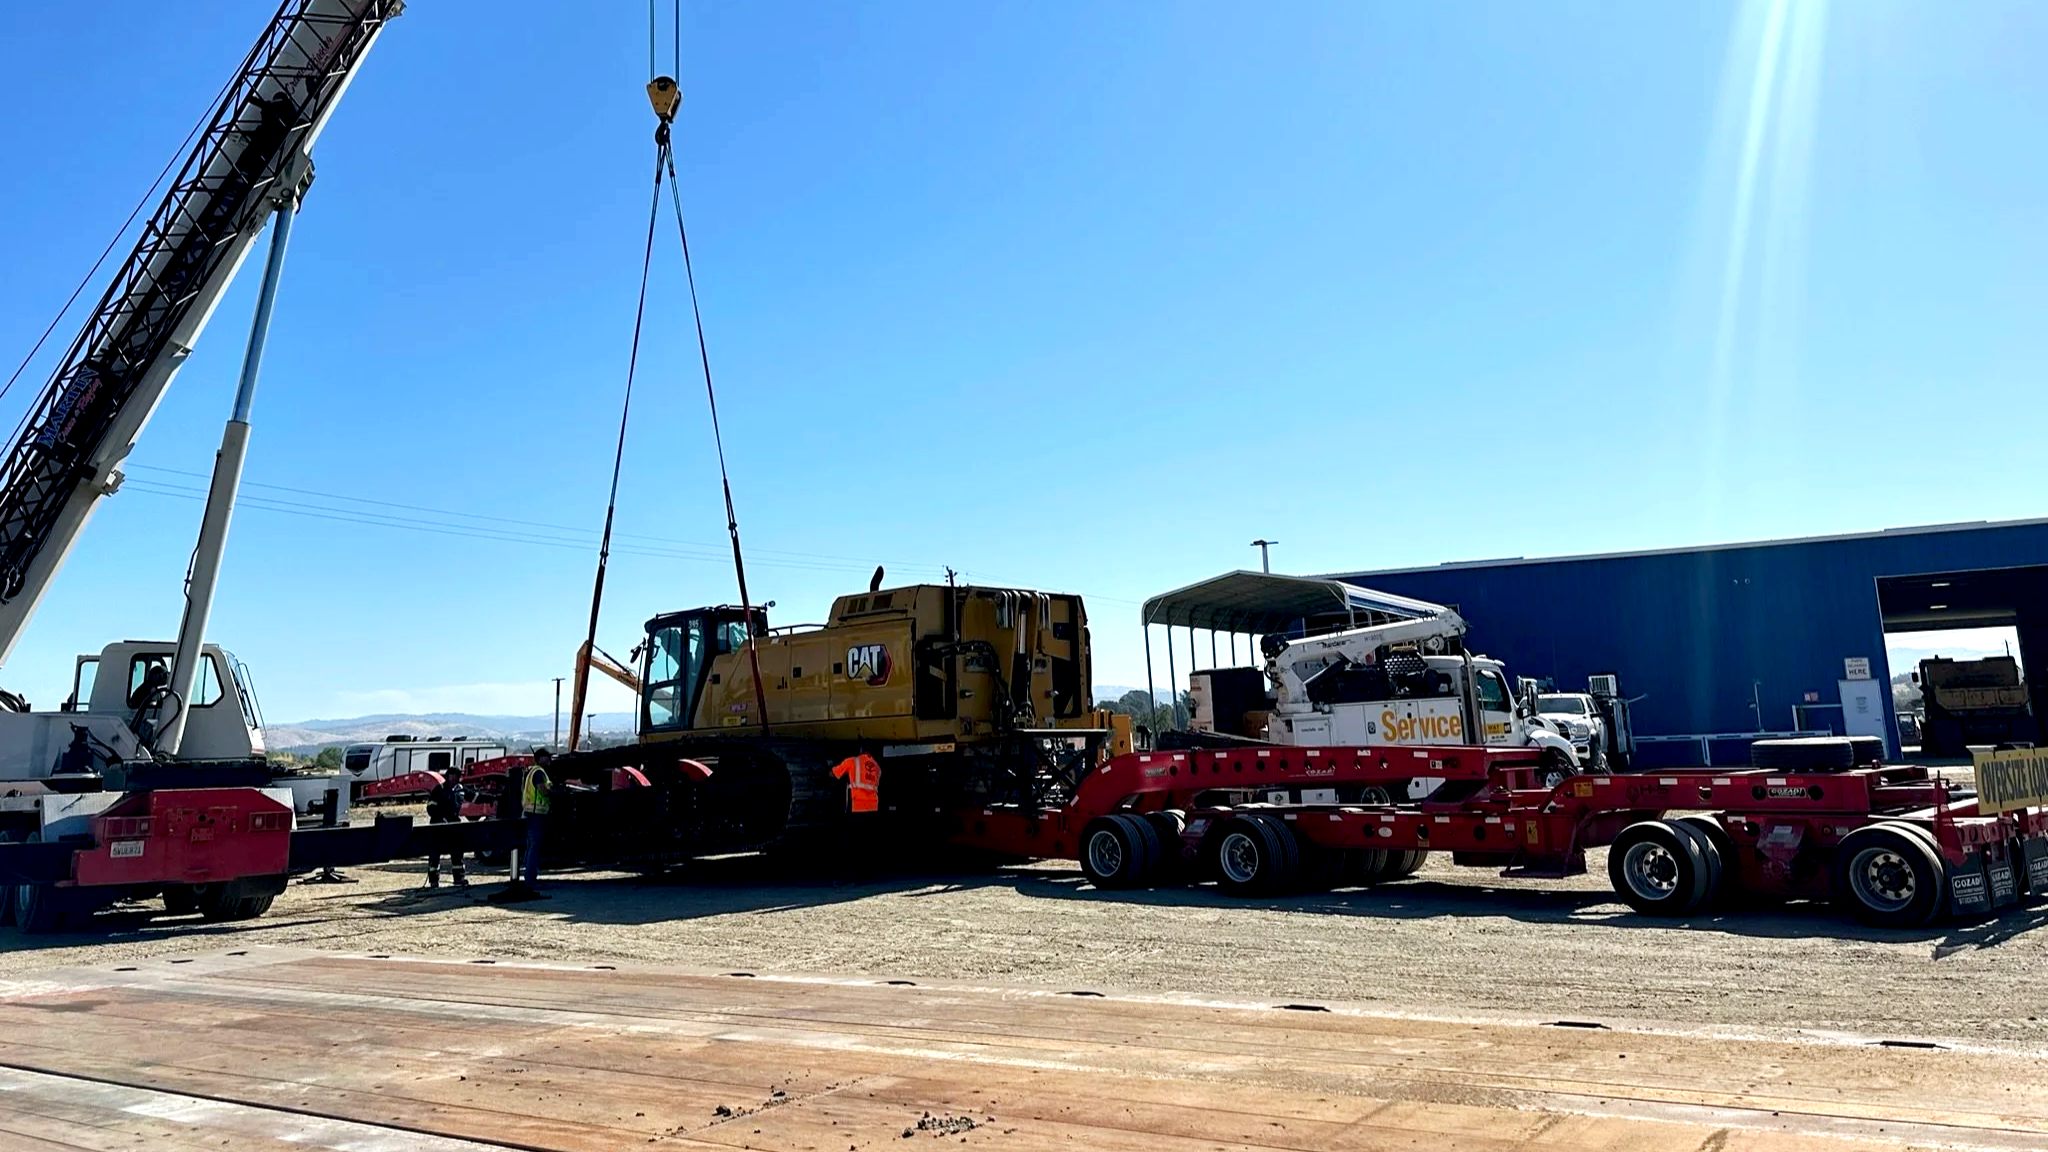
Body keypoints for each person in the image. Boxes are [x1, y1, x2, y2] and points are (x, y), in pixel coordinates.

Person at [506, 748, 552, 897]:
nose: (549, 760)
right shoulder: (539, 772)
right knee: (534, 846)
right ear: (540, 758)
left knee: (531, 846)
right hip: (536, 815)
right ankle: (530, 880)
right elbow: (542, 790)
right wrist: (552, 788)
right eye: (547, 757)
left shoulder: (532, 771)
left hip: (531, 814)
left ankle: (529, 878)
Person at [424, 763, 469, 889]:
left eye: (456, 776)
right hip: (438, 827)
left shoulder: (460, 790)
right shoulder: (439, 790)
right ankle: (434, 881)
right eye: (451, 776)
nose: (453, 778)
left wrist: (492, 799)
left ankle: (459, 878)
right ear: (447, 776)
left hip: (453, 826)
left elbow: (475, 796)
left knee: (457, 852)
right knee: (435, 854)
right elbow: (430, 807)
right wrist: (440, 818)